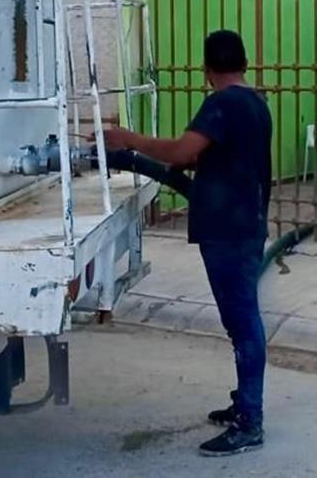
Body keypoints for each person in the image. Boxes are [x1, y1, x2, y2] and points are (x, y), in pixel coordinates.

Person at [104, 29, 272, 457]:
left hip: (227, 229)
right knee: (242, 320)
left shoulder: (221, 104)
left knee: (243, 323)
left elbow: (182, 153)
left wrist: (129, 140)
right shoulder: (256, 103)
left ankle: (250, 421)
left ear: (207, 69)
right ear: (244, 63)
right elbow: (202, 157)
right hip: (247, 221)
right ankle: (244, 404)